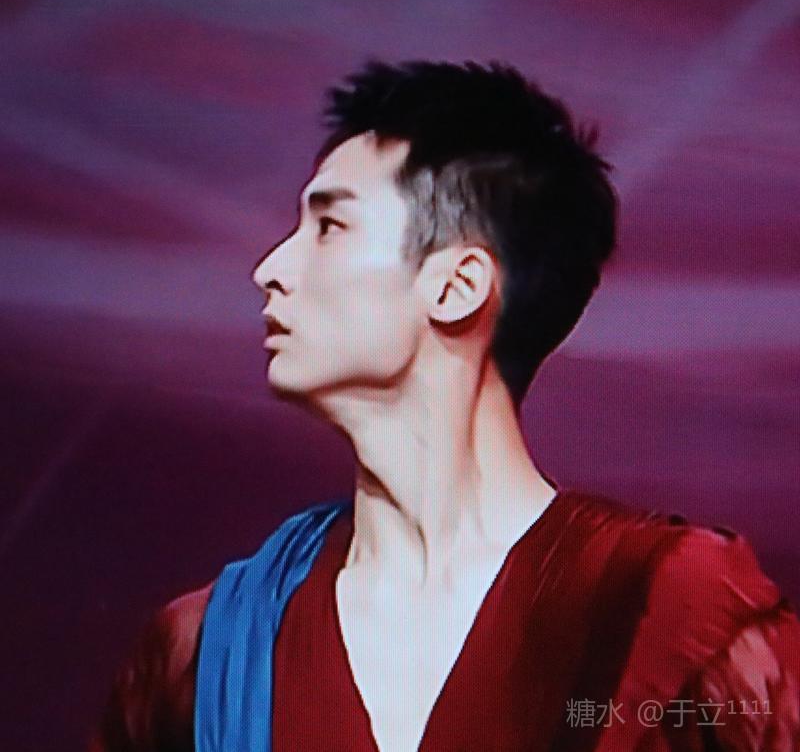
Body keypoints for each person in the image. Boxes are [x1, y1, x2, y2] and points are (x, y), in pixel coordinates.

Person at [88, 59, 800, 752]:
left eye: (329, 227)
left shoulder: (669, 612)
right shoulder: (208, 652)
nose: (270, 269)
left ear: (457, 286)